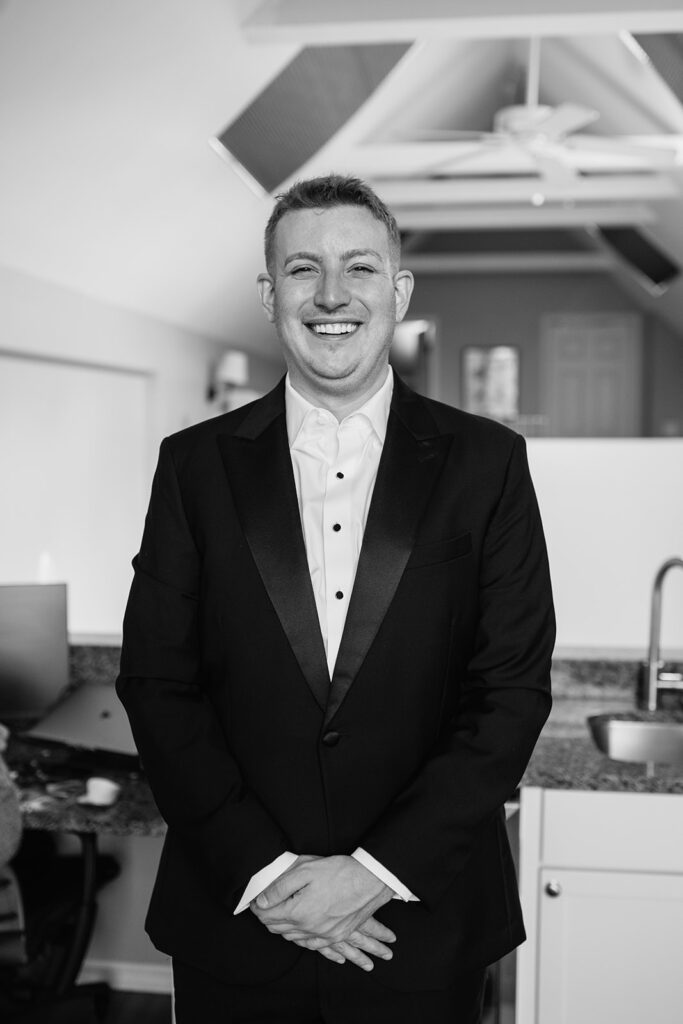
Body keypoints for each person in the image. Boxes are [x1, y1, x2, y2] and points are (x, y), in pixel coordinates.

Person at [116, 174, 555, 1023]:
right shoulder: (192, 465)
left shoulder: (488, 462)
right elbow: (157, 682)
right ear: (268, 295)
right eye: (302, 269)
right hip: (239, 916)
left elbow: (508, 691)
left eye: (358, 267)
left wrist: (373, 875)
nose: (330, 296)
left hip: (419, 922)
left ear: (398, 290)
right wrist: (269, 875)